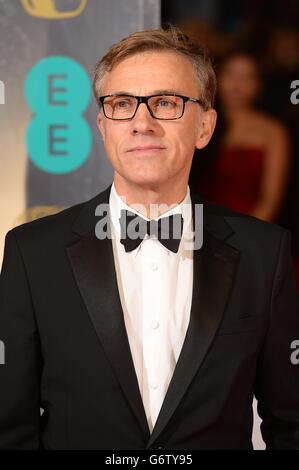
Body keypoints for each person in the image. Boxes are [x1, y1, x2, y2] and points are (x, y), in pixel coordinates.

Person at [0, 27, 298, 450]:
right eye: (122, 104)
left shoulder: (263, 253)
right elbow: (10, 427)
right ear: (103, 127)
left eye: (165, 103)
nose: (142, 123)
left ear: (205, 126)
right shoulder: (32, 253)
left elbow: (291, 423)